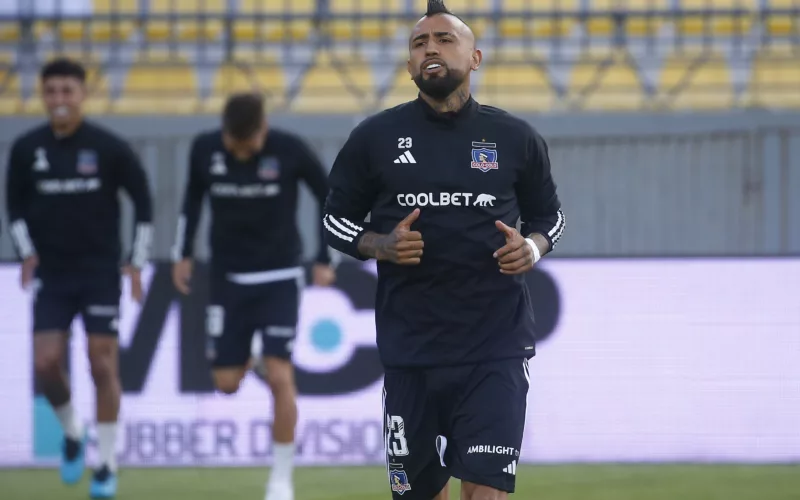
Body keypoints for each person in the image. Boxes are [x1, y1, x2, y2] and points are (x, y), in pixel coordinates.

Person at [323, 1, 566, 499]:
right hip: (410, 353)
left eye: (444, 39)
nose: (430, 48)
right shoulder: (375, 137)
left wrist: (533, 249)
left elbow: (551, 218)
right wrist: (380, 245)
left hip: (494, 349)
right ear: (410, 66)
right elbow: (332, 220)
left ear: (474, 57)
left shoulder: (514, 137)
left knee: (486, 493)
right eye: (419, 43)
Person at [171, 92, 336, 500]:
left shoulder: (290, 150)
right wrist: (183, 253)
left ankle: (280, 480)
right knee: (226, 383)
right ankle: (258, 361)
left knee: (282, 375)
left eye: (249, 144)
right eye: (234, 144)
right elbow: (191, 200)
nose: (241, 151)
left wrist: (323, 255)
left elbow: (329, 196)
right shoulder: (204, 149)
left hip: (280, 275)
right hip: (228, 279)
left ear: (263, 129)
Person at [5, 57, 154, 499]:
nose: (60, 100)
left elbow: (143, 202)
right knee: (46, 364)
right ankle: (73, 432)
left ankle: (106, 464)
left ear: (82, 94)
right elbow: (13, 207)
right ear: (43, 96)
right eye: (52, 92)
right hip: (52, 274)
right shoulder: (27, 148)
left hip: (99, 274)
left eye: (68, 91)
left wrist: (136, 260)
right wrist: (26, 253)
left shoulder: (108, 148)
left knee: (101, 363)